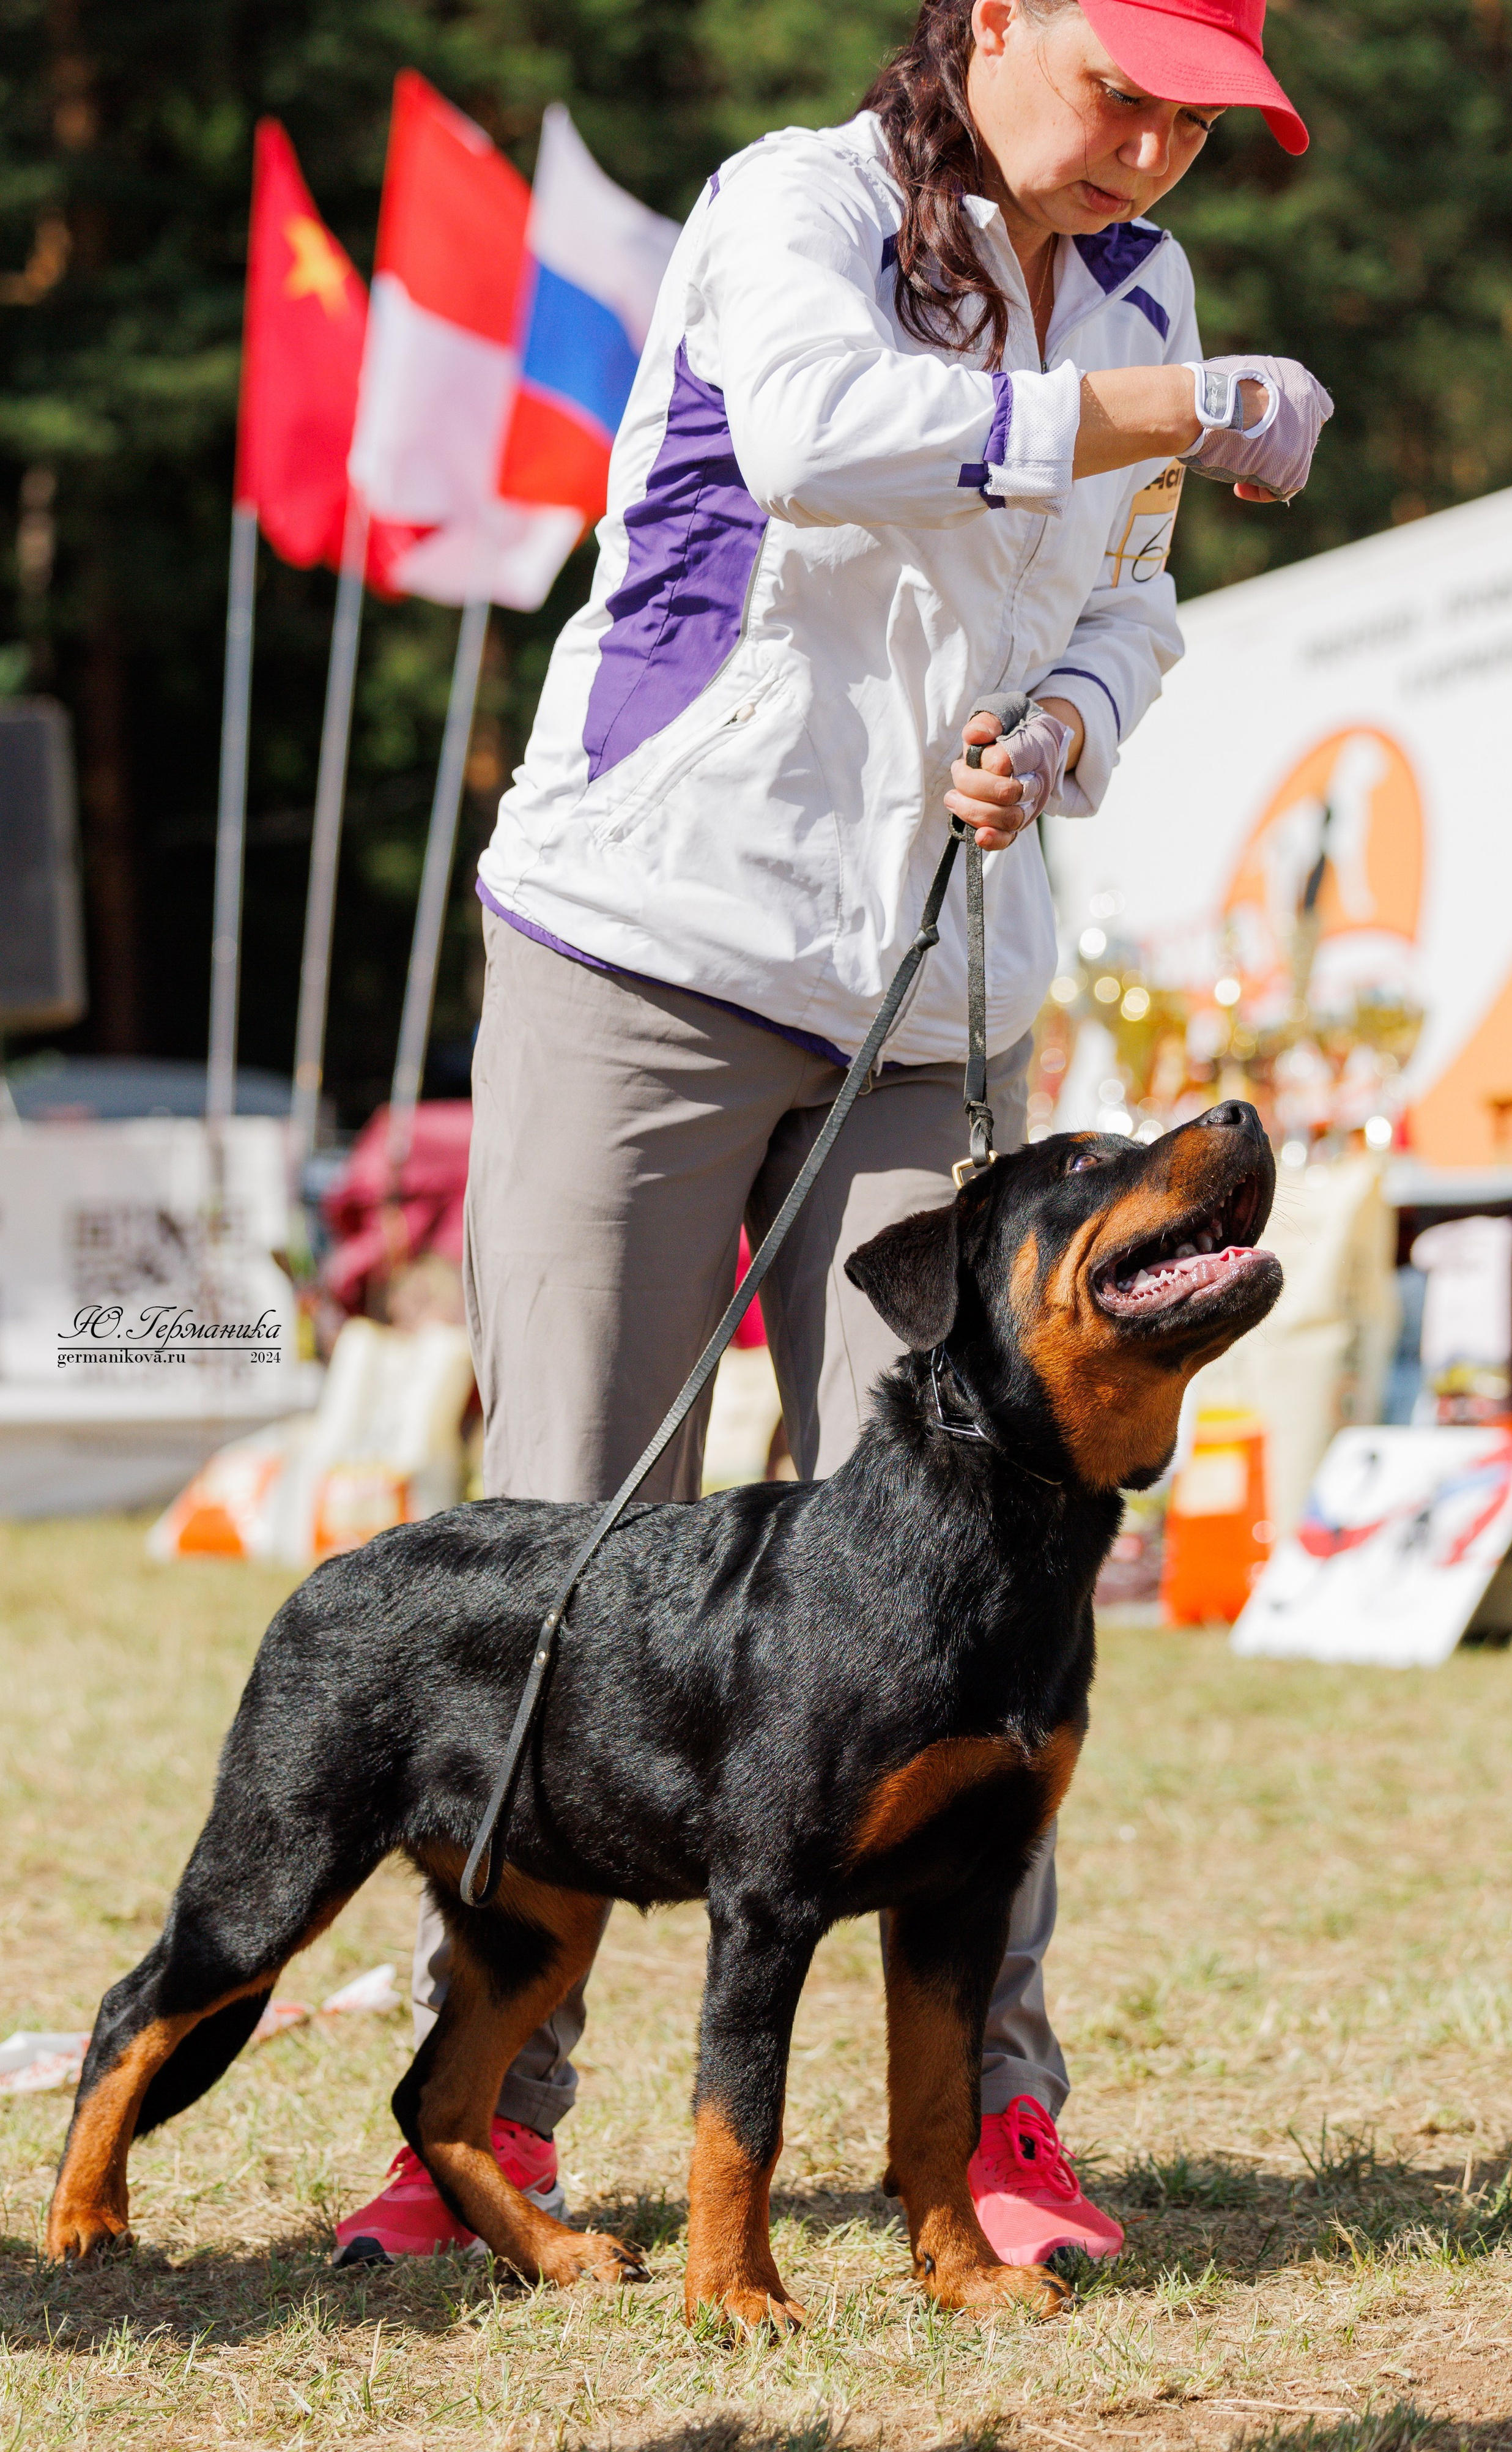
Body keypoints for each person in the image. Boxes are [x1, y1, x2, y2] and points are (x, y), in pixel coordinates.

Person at [334, 0, 1329, 2274]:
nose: (1154, 149)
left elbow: (1132, 596)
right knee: (578, 1541)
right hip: (653, 936)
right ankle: (491, 2122)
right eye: (1125, 86)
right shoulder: (794, 200)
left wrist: (1063, 724)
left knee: (991, 1553)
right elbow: (817, 436)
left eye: (1201, 119)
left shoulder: (1143, 286)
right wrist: (1187, 401)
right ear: (996, 18)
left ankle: (987, 2130)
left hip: (931, 977)